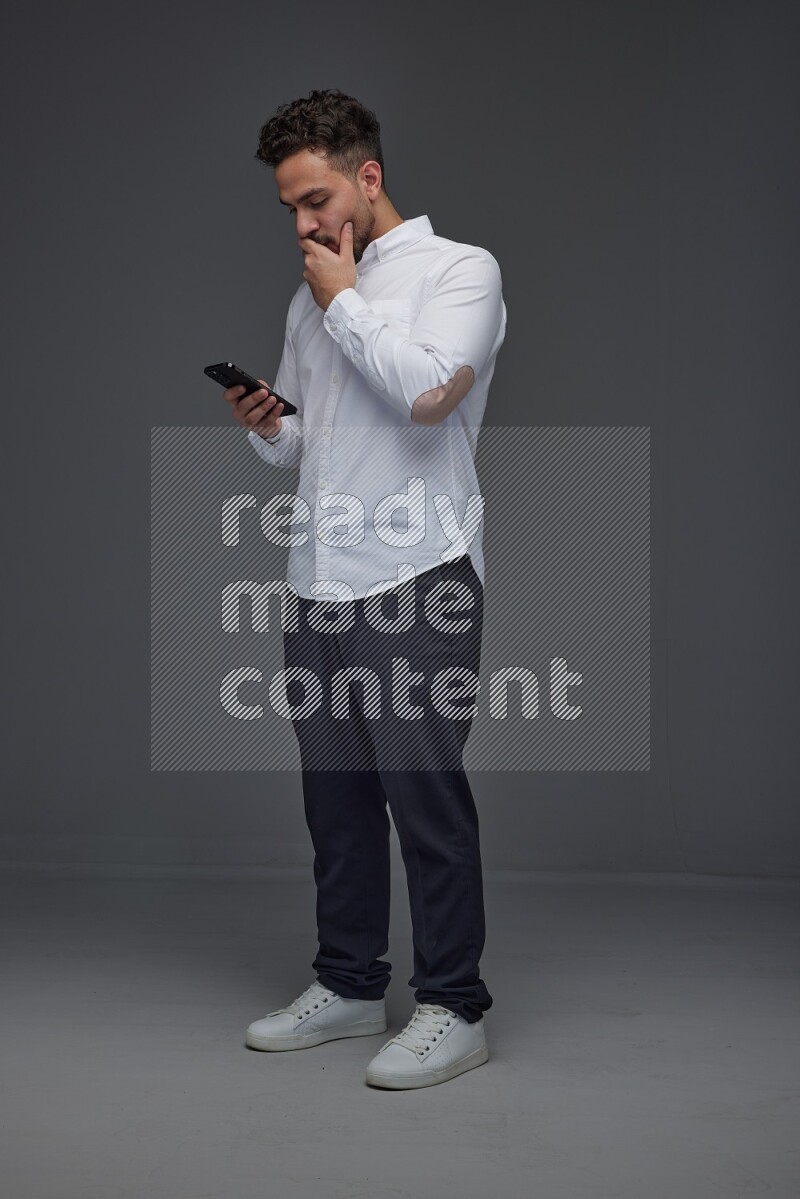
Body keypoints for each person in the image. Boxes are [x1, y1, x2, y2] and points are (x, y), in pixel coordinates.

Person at [224, 89, 506, 1090]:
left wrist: (345, 298)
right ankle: (347, 983)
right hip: (318, 582)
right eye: (289, 208)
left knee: (422, 796)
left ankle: (453, 1004)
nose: (301, 224)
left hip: (417, 577)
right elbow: (313, 446)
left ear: (367, 177)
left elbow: (428, 395)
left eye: (313, 198)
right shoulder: (309, 298)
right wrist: (269, 424)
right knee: (334, 799)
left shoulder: (459, 271)